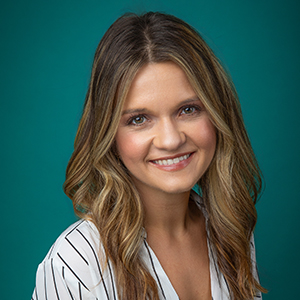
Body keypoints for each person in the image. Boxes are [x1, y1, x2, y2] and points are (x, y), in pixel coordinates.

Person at [32, 12, 266, 300]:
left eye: (188, 109)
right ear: (110, 135)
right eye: (139, 119)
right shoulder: (77, 263)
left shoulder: (231, 229)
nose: (171, 140)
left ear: (218, 113)